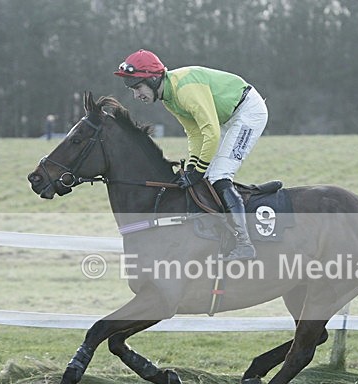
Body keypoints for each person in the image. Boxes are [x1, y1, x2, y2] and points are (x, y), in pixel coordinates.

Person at [114, 49, 268, 261]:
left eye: (137, 87)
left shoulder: (184, 89)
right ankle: (220, 233)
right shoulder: (169, 97)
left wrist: (200, 169)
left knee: (219, 175)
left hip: (248, 112)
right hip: (227, 118)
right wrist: (193, 168)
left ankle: (244, 244)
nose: (136, 95)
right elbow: (195, 133)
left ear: (152, 78)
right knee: (206, 176)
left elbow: (211, 133)